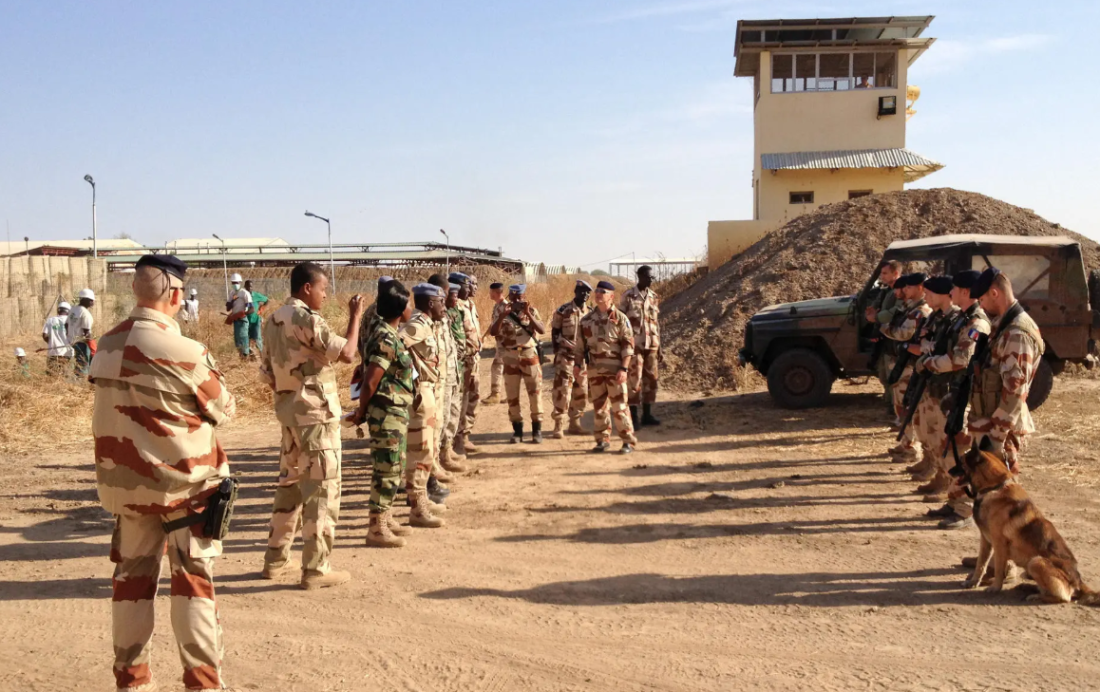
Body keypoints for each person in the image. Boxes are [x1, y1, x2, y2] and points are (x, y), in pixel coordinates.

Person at [90, 254, 238, 691]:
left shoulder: (107, 345)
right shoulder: (186, 352)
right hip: (186, 490)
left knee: (131, 587)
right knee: (192, 586)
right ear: (176, 294)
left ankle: (132, 681)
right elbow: (223, 408)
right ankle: (202, 682)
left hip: (128, 490)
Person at [259, 262, 365, 589]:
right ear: (307, 288)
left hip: (290, 416)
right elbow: (347, 353)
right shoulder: (306, 318)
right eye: (322, 289)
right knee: (321, 490)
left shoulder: (272, 320)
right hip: (315, 419)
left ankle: (276, 560)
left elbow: (265, 373)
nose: (324, 294)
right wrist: (356, 316)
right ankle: (316, 569)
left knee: (289, 487)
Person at [944, 268, 1043, 530]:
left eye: (983, 299)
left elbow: (1014, 390)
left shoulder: (1017, 333)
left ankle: (1006, 564)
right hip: (987, 423)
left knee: (1004, 501)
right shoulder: (1003, 328)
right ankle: (990, 559)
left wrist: (995, 438)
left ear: (995, 293)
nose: (982, 305)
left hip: (999, 430)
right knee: (987, 499)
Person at [917, 270, 992, 529]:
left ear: (965, 291)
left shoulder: (976, 323)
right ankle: (953, 500)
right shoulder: (961, 319)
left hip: (960, 395)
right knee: (943, 449)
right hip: (946, 393)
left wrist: (929, 362)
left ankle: (964, 509)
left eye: (956, 289)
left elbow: (962, 359)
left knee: (957, 454)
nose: (952, 293)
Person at [351, 280, 416, 548]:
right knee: (386, 468)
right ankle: (376, 528)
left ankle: (385, 518)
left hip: (394, 411)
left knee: (394, 466)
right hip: (386, 412)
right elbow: (370, 382)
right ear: (401, 310)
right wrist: (361, 412)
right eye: (409, 304)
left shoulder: (385, 331)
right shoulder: (386, 338)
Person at [400, 283, 449, 532]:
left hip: (428, 391)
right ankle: (418, 509)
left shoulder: (428, 324)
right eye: (441, 300)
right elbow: (395, 345)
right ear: (431, 303)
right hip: (419, 394)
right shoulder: (417, 324)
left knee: (426, 451)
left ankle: (422, 501)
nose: (444, 305)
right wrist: (410, 373)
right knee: (420, 452)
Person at [902, 275, 957, 500]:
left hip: (944, 386)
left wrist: (926, 348)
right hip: (930, 381)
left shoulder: (955, 319)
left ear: (944, 294)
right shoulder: (937, 317)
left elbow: (949, 351)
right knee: (928, 431)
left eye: (930, 293)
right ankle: (937, 473)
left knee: (943, 437)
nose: (926, 296)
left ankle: (946, 482)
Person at [576, 280, 637, 454]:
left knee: (620, 408)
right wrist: (577, 365)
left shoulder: (620, 318)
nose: (598, 294)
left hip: (615, 371)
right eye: (597, 291)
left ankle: (627, 440)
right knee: (599, 407)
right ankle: (602, 440)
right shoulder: (586, 320)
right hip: (595, 371)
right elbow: (580, 346)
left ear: (611, 296)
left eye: (602, 292)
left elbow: (628, 346)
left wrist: (624, 369)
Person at [880, 273, 931, 462]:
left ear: (920, 287)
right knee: (899, 405)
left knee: (908, 407)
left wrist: (884, 328)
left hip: (909, 367)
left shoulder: (921, 310)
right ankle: (905, 443)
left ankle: (911, 449)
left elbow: (904, 333)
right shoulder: (910, 308)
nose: (905, 290)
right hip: (901, 363)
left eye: (909, 287)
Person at [489, 284, 545, 443]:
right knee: (512, 395)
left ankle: (537, 431)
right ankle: (517, 431)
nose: (516, 301)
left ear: (524, 296)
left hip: (529, 354)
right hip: (510, 356)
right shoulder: (502, 312)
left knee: (535, 393)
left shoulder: (532, 311)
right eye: (513, 298)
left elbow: (541, 330)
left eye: (519, 298)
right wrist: (502, 316)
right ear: (509, 298)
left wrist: (527, 312)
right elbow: (493, 332)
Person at [426, 274, 459, 499]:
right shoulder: (424, 322)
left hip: (447, 379)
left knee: (445, 420)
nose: (448, 296)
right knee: (433, 431)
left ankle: (440, 460)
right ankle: (431, 473)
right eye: (445, 293)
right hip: (435, 385)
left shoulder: (443, 317)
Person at [621, 266, 662, 428]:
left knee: (651, 380)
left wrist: (660, 346)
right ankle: (633, 417)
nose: (651, 280)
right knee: (634, 380)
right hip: (635, 346)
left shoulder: (654, 297)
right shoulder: (628, 296)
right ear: (640, 276)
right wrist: (622, 346)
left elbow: (656, 323)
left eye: (653, 278)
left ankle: (647, 414)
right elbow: (621, 322)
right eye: (649, 277)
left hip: (651, 345)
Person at [550, 280, 591, 438]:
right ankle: (558, 424)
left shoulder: (591, 312)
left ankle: (575, 424)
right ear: (575, 292)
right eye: (582, 292)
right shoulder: (563, 310)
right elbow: (554, 332)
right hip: (566, 357)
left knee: (581, 391)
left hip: (582, 360)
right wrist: (559, 349)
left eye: (588, 293)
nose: (585, 295)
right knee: (562, 391)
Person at [439, 281, 470, 469]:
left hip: (455, 370)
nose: (454, 298)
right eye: (451, 294)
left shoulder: (454, 313)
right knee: (442, 418)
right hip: (443, 376)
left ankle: (447, 449)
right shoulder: (438, 317)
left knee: (453, 412)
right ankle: (441, 457)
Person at [866, 260, 902, 416]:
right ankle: (891, 406)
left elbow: (896, 311)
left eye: (885, 273)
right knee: (883, 374)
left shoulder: (901, 291)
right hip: (883, 337)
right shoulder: (885, 291)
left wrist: (877, 317)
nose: (882, 276)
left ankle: (895, 410)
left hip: (894, 339)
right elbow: (873, 309)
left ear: (895, 273)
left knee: (893, 377)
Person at [454, 272, 483, 457]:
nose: (473, 287)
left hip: (475, 360)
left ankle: (465, 435)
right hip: (463, 362)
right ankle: (456, 440)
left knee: (473, 398)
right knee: (461, 401)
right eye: (469, 284)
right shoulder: (455, 307)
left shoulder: (471, 305)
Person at [482, 282, 509, 404]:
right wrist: (485, 335)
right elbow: (494, 324)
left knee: (497, 367)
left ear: (497, 293)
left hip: (506, 343)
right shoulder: (497, 306)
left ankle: (495, 394)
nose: (489, 294)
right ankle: (511, 395)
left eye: (491, 292)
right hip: (500, 342)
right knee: (508, 368)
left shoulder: (505, 307)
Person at [68, 288, 96, 376]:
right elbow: (87, 332)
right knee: (83, 364)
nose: (93, 302)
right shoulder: (85, 313)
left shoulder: (73, 310)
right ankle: (79, 382)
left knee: (78, 361)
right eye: (92, 300)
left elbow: (66, 325)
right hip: (81, 343)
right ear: (87, 300)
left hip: (72, 341)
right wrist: (93, 346)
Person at [226, 273, 253, 358]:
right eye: (233, 283)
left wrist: (243, 314)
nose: (235, 284)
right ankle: (243, 355)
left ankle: (246, 355)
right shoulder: (232, 293)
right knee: (237, 340)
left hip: (242, 320)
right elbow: (228, 308)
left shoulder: (244, 293)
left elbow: (251, 308)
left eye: (236, 282)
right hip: (235, 320)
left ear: (240, 282)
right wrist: (233, 300)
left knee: (243, 337)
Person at [42, 301, 73, 374]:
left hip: (53, 352)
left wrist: (51, 343)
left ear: (58, 310)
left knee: (52, 374)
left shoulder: (50, 320)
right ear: (68, 311)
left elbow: (44, 335)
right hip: (67, 353)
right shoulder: (71, 321)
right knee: (66, 374)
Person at [244, 280, 268, 355]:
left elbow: (267, 300)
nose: (249, 288)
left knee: (257, 338)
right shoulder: (242, 296)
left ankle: (263, 355)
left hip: (256, 320)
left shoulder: (256, 295)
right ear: (245, 287)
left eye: (250, 286)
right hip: (246, 321)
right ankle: (247, 356)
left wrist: (261, 310)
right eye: (247, 286)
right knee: (246, 339)